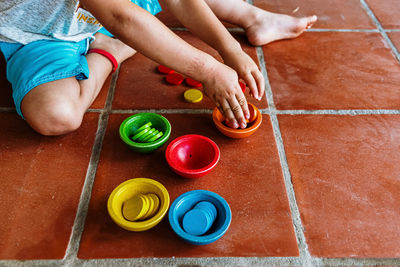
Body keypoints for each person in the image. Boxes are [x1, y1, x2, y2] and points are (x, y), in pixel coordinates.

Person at [0, 0, 317, 136]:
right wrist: (209, 70)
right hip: (38, 37)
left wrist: (229, 48)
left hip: (103, 13)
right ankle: (110, 50)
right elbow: (122, 18)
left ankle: (253, 17)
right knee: (56, 115)